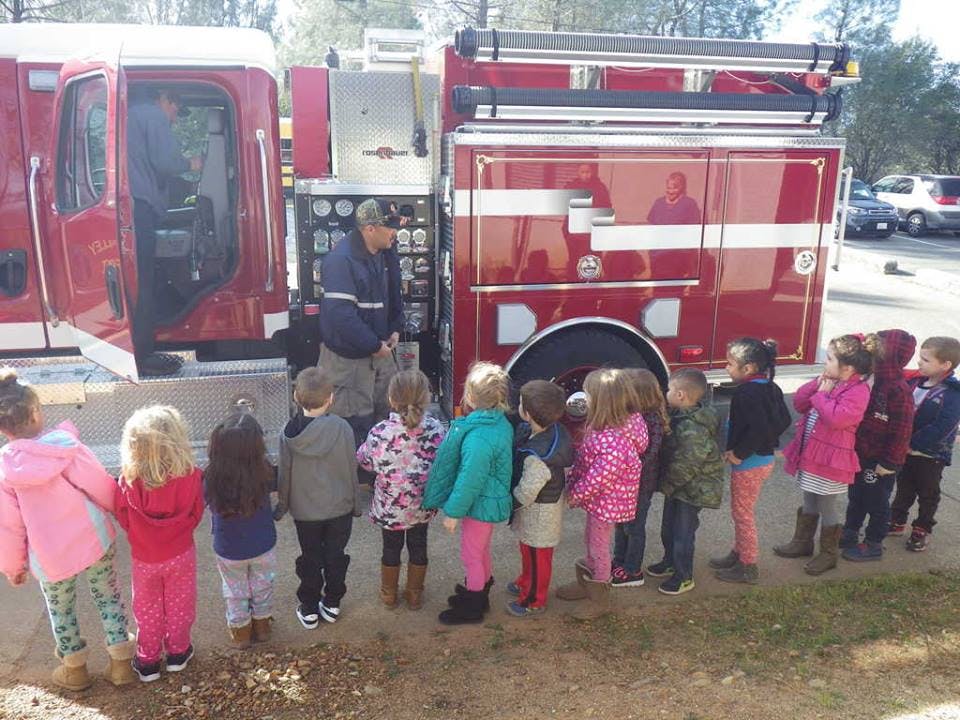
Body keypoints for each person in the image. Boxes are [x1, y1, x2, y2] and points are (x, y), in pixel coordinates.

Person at [0, 369, 136, 691]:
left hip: (50, 557)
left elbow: (8, 527)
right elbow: (100, 484)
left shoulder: (5, 471)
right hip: (94, 542)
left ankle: (74, 670)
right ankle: (120, 664)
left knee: (60, 610)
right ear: (35, 413)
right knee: (108, 596)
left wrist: (13, 567)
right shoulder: (65, 447)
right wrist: (122, 514)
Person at [773, 334, 880, 576]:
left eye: (830, 359)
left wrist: (821, 395)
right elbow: (800, 403)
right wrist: (817, 385)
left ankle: (828, 554)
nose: (825, 362)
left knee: (826, 504)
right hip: (811, 454)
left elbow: (837, 419)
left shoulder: (859, 390)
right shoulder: (829, 381)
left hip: (831, 460)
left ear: (848, 367)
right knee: (809, 497)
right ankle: (803, 542)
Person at [114, 405, 204, 682]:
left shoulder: (129, 480)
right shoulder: (191, 476)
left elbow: (122, 514)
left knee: (147, 608)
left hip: (144, 557)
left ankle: (148, 660)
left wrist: (139, 534)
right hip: (180, 553)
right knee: (180, 604)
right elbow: (196, 513)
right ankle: (177, 653)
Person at [423, 362, 514, 626]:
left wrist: (453, 512)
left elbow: (469, 480)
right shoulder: (499, 424)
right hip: (489, 502)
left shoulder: (478, 438)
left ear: (470, 397)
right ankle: (480, 590)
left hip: (479, 506)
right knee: (481, 550)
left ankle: (473, 605)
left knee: (471, 556)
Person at [318, 197, 404, 462]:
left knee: (387, 417)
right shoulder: (340, 260)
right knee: (353, 427)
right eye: (389, 226)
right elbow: (340, 315)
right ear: (369, 229)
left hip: (380, 354)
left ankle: (381, 479)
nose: (395, 231)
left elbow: (394, 294)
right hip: (349, 363)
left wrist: (395, 327)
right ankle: (354, 489)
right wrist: (374, 345)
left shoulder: (385, 253)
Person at [275, 367, 361, 629]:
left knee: (310, 557)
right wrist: (356, 503)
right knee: (336, 555)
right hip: (339, 508)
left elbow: (284, 474)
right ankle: (333, 602)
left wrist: (282, 505)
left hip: (305, 511)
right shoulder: (343, 427)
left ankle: (309, 606)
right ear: (330, 398)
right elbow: (351, 467)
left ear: (295, 397)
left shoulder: (288, 434)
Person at [558, 369, 647, 616]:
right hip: (600, 501)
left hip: (607, 503)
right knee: (591, 540)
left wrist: (575, 494)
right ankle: (587, 583)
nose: (584, 397)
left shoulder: (615, 440)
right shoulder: (608, 426)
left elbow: (599, 477)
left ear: (602, 401)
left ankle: (599, 595)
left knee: (599, 545)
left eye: (588, 394)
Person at [127, 88, 202, 377]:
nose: (173, 119)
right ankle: (144, 355)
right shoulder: (152, 115)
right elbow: (166, 162)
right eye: (175, 110)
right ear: (166, 99)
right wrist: (192, 163)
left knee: (144, 279)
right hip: (141, 209)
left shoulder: (135, 115)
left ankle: (142, 347)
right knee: (143, 282)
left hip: (136, 208)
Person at [356, 370, 445, 611]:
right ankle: (415, 594)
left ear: (391, 399)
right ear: (425, 397)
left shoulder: (380, 432)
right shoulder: (436, 429)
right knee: (419, 545)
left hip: (390, 507)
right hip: (422, 505)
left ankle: (389, 594)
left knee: (391, 548)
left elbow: (365, 461)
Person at [709, 339, 791, 584]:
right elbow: (782, 421)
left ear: (748, 368)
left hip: (750, 464)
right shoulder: (769, 386)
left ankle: (748, 565)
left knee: (742, 514)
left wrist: (739, 453)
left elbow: (758, 429)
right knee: (740, 511)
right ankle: (739, 553)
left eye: (731, 364)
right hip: (761, 460)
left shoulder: (747, 393)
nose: (726, 367)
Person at [841, 329, 917, 562]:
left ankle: (874, 542)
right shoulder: (873, 381)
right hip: (861, 454)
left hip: (881, 462)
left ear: (889, 357)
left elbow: (902, 431)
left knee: (876, 501)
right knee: (857, 497)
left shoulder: (898, 390)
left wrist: (889, 462)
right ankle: (850, 531)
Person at [647, 369, 724, 596]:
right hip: (680, 487)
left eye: (669, 390)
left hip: (693, 489)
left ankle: (683, 576)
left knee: (683, 533)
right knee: (668, 527)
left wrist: (667, 485)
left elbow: (687, 465)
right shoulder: (681, 415)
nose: (666, 393)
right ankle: (669, 561)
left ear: (681, 395)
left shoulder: (693, 428)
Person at [205, 412, 278, 648]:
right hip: (263, 542)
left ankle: (241, 631)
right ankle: (262, 625)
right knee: (262, 583)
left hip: (228, 547)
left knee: (235, 589)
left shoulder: (210, 477)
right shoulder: (265, 471)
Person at [505, 380, 574, 617]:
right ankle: (526, 580)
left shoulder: (538, 457)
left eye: (521, 404)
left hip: (540, 515)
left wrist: (508, 504)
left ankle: (534, 599)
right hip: (540, 511)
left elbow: (527, 492)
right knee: (528, 550)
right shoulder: (553, 431)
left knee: (537, 557)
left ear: (529, 413)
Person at [889, 336, 960, 552]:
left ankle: (922, 527)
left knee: (928, 493)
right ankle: (897, 520)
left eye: (926, 360)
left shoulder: (953, 393)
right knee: (904, 487)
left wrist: (914, 443)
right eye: (920, 357)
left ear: (945, 365)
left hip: (931, 454)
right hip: (906, 450)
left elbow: (943, 425)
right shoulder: (914, 382)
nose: (919, 362)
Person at [610, 368, 669, 588]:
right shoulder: (631, 415)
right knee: (620, 524)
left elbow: (650, 452)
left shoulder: (651, 419)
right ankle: (619, 560)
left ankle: (633, 570)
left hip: (640, 484)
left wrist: (624, 468)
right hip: (625, 483)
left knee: (634, 527)